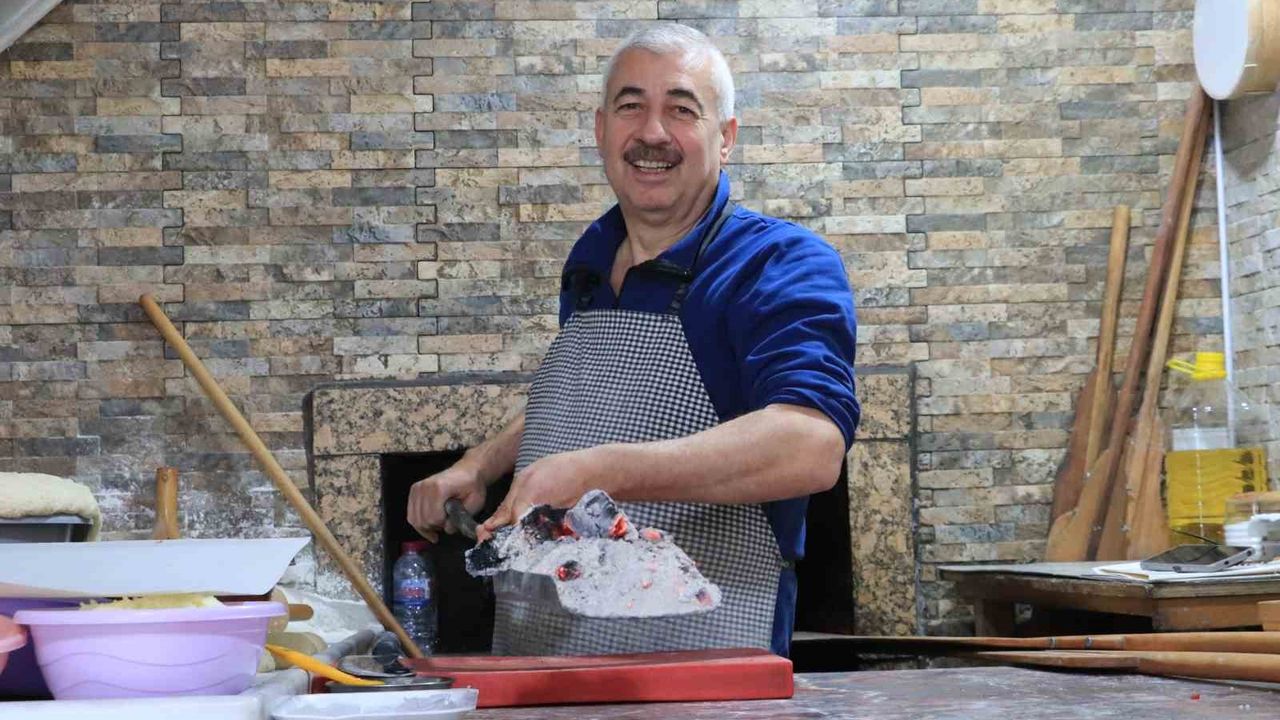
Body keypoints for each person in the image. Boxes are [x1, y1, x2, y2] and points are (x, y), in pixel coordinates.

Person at [407, 22, 859, 658]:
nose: (652, 132)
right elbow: (599, 398)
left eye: (681, 109)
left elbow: (810, 445)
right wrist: (480, 464)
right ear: (601, 130)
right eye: (630, 107)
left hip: (701, 659)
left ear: (726, 137)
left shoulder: (776, 264)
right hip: (543, 650)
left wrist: (601, 473)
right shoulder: (593, 258)